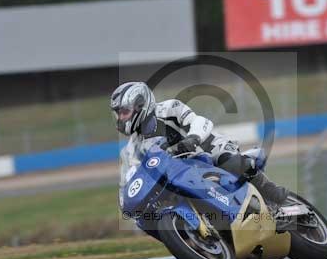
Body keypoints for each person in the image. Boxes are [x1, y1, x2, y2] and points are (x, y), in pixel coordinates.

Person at [111, 81, 288, 206]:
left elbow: (200, 121)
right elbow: (131, 176)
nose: (120, 118)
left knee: (229, 162)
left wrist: (192, 138)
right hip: (178, 173)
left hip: (207, 150)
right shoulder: (133, 148)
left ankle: (271, 191)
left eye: (124, 112)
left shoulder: (169, 109)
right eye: (118, 114)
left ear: (140, 105)